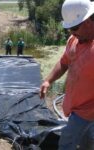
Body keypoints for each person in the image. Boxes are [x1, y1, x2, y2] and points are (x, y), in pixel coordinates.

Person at [39, 0, 94, 149]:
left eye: (75, 27)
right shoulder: (74, 41)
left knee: (65, 144)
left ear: (88, 20)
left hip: (86, 112)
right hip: (75, 108)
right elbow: (64, 63)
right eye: (70, 28)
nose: (72, 33)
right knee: (87, 144)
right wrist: (48, 81)